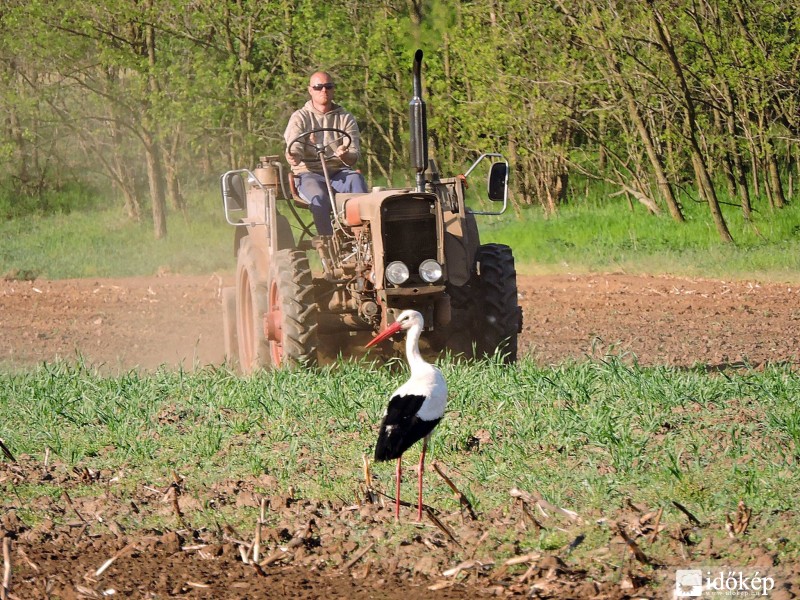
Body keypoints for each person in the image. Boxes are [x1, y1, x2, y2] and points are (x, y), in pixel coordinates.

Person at [284, 71, 367, 236]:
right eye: (318, 87)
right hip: (309, 174)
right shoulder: (300, 117)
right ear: (310, 90)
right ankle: (328, 244)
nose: (324, 90)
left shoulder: (345, 118)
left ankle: (362, 238)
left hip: (339, 172)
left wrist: (344, 155)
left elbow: (353, 154)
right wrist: (294, 156)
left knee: (356, 180)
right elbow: (294, 149)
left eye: (328, 86)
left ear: (333, 89)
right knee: (319, 198)